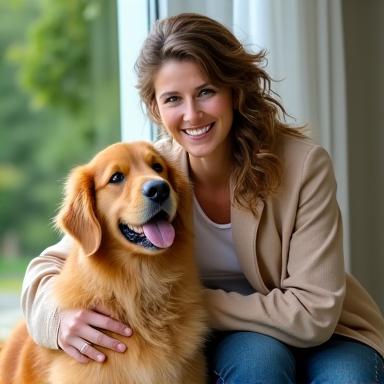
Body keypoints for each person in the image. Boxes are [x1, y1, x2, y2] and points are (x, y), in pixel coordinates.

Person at [22, 13, 384, 383]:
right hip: (238, 336)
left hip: (328, 334)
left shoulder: (304, 165)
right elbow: (45, 270)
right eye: (173, 99)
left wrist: (182, 304)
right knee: (257, 361)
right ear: (155, 109)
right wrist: (59, 320)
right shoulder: (156, 173)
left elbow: (314, 315)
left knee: (351, 378)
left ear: (234, 90)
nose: (192, 114)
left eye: (206, 91)